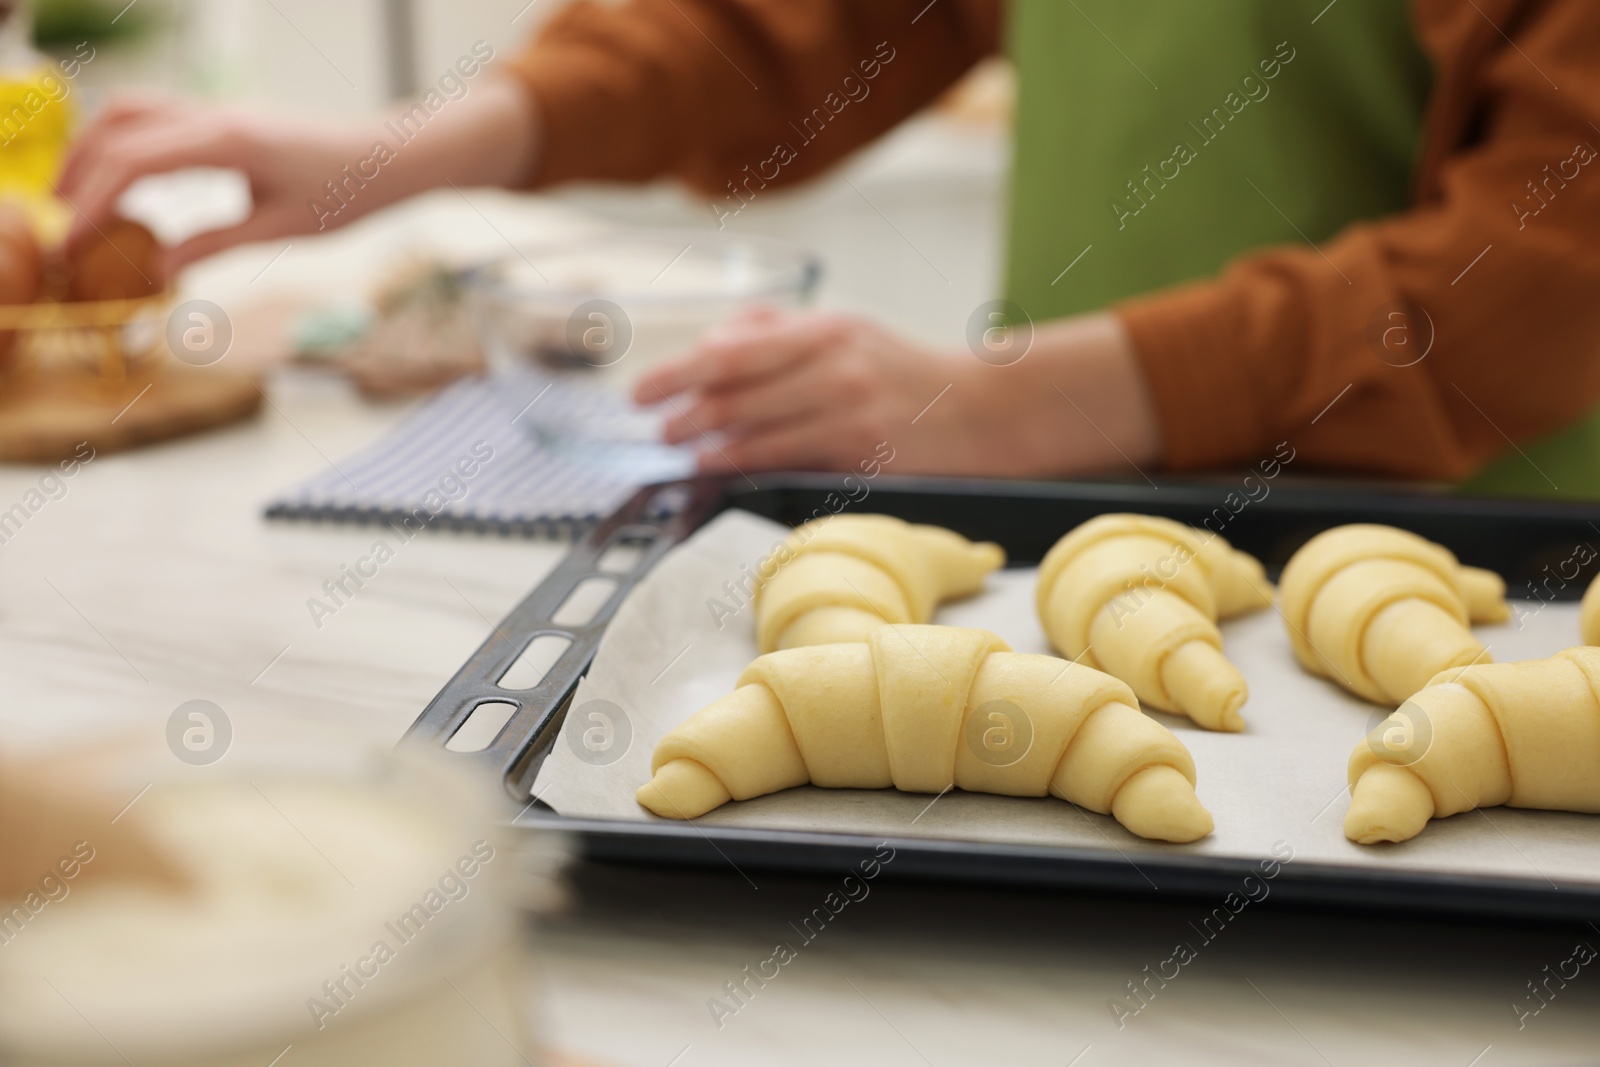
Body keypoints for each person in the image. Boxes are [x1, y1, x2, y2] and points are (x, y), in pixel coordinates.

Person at [60, 0, 1600, 495]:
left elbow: (1551, 250)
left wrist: (1005, 404)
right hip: (1065, 521)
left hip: (1477, 569)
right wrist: (401, 152)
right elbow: (788, 23)